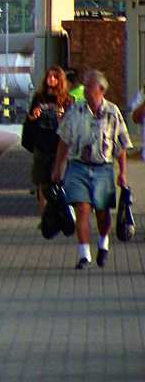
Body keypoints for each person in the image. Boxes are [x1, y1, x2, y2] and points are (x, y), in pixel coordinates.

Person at [51, 69, 133, 269]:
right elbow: (64, 141)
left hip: (103, 168)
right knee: (82, 209)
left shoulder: (113, 112)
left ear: (101, 89)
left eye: (89, 85)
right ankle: (84, 254)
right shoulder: (75, 111)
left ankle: (103, 244)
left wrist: (122, 173)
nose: (85, 89)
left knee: (102, 213)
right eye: (85, 85)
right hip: (78, 167)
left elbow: (121, 145)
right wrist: (57, 168)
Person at [24, 66, 73, 213]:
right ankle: (45, 215)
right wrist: (33, 116)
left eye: (55, 77)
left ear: (60, 81)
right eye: (49, 76)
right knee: (42, 182)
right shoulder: (39, 98)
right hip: (42, 144)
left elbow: (71, 124)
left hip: (59, 146)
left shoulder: (68, 100)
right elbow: (30, 120)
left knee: (58, 180)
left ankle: (59, 212)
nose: (51, 79)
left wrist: (62, 117)